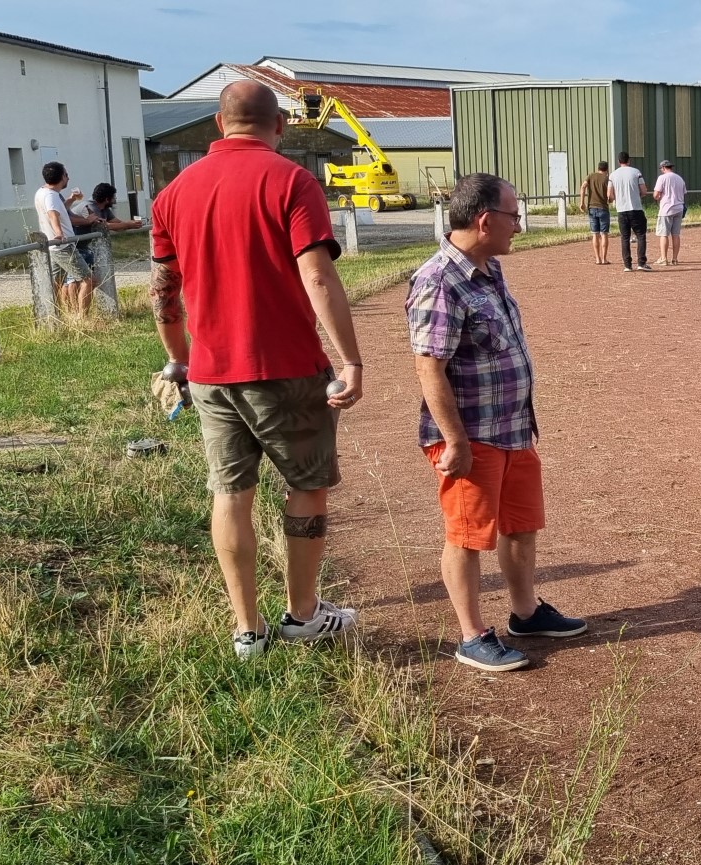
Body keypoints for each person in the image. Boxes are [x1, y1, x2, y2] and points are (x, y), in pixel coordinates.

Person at [149, 81, 366, 660]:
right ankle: (300, 614)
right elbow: (317, 276)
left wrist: (178, 357)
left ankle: (248, 630)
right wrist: (349, 359)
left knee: (230, 494)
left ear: (219, 125)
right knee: (307, 487)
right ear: (281, 126)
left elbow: (164, 289)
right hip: (286, 367)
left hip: (211, 371)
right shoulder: (292, 181)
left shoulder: (172, 194)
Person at [406, 173, 588, 672]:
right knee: (467, 536)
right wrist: (454, 441)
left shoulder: (487, 269)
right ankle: (471, 635)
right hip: (471, 437)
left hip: (512, 429)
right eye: (513, 215)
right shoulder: (438, 281)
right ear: (485, 221)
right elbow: (429, 368)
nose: (519, 224)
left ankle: (525, 614)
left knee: (521, 526)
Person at [34, 161, 93, 317]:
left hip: (53, 247)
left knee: (56, 282)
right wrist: (59, 233)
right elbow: (53, 213)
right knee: (88, 279)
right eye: (66, 174)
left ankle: (54, 316)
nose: (68, 177)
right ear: (61, 177)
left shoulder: (42, 192)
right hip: (63, 246)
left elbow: (59, 208)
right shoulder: (51, 196)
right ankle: (82, 319)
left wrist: (72, 199)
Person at [73, 182, 141, 273]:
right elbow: (104, 226)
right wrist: (128, 225)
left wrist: (132, 224)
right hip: (73, 247)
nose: (115, 199)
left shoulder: (104, 208)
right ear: (107, 199)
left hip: (84, 247)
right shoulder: (89, 207)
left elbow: (117, 223)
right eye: (113, 197)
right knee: (75, 280)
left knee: (92, 277)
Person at [608, 152, 650, 272]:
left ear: (618, 161)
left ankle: (627, 265)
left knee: (625, 237)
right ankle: (641, 262)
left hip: (621, 209)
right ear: (629, 160)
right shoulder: (636, 172)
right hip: (635, 208)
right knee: (641, 235)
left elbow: (609, 195)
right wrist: (638, 196)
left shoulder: (613, 175)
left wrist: (617, 198)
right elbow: (644, 191)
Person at [652, 160, 687, 266]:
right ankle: (675, 259)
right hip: (679, 208)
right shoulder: (680, 178)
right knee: (676, 235)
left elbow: (656, 194)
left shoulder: (662, 178)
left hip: (666, 208)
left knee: (664, 234)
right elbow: (684, 193)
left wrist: (658, 197)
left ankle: (664, 258)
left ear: (663, 168)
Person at [581, 160, 612, 266]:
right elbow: (610, 194)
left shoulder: (590, 176)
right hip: (603, 208)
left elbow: (583, 186)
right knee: (604, 234)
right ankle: (604, 258)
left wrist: (582, 202)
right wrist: (610, 200)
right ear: (607, 169)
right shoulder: (607, 179)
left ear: (598, 168)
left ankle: (597, 259)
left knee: (595, 234)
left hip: (592, 207)